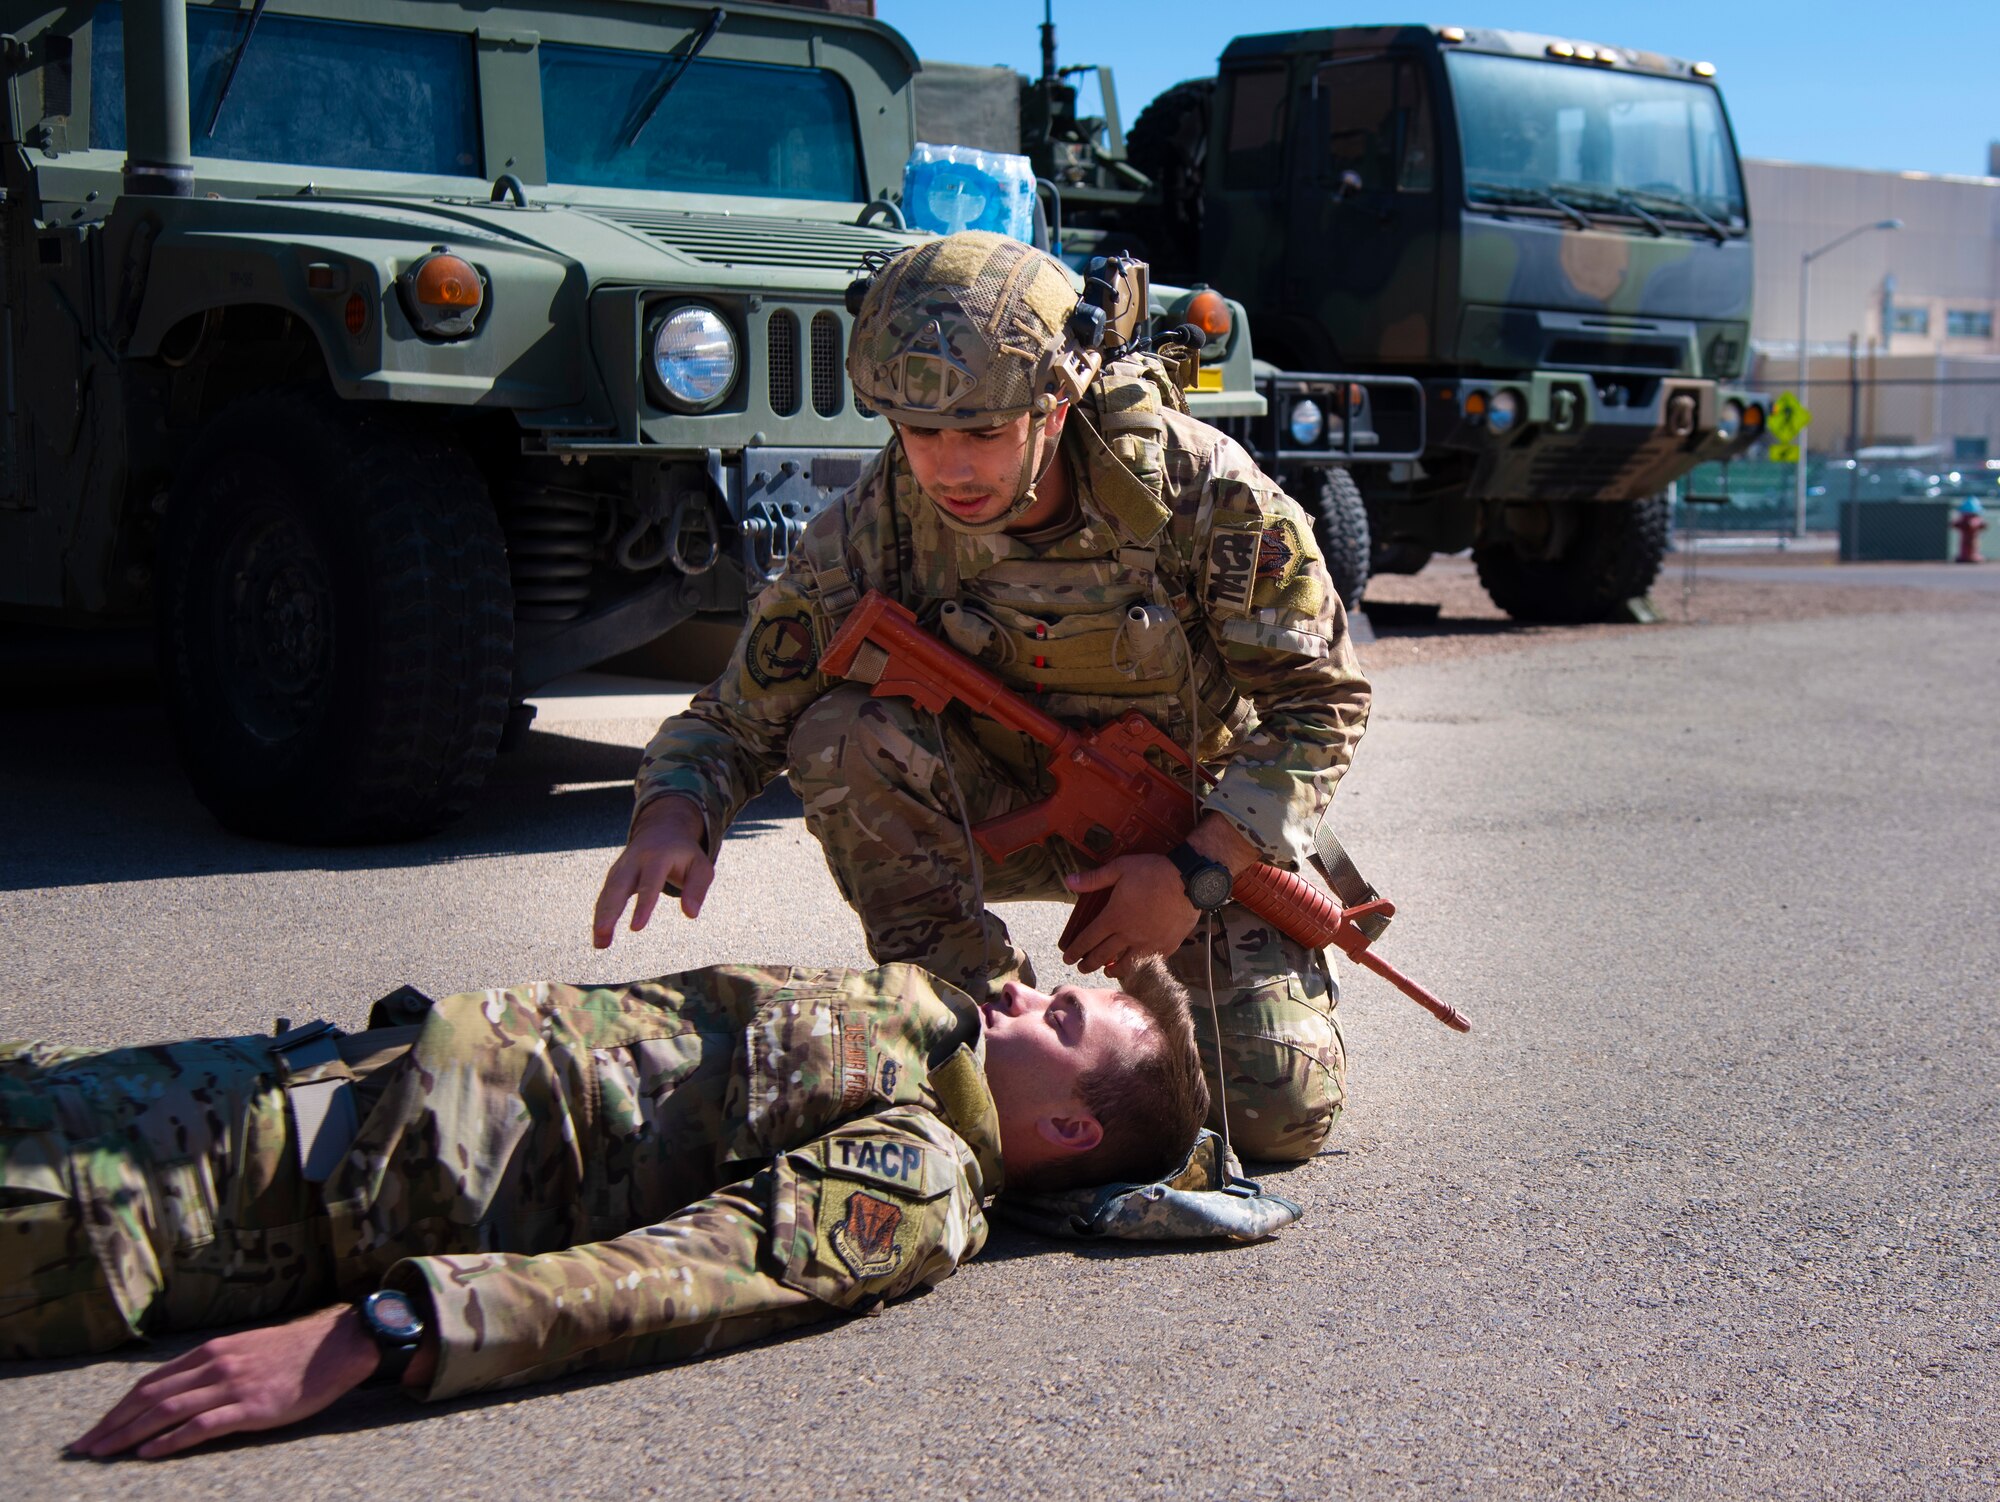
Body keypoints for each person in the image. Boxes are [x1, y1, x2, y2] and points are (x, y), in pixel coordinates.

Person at [595, 231, 1371, 1160]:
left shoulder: (1199, 494)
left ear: (1056, 405)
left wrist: (1196, 874)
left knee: (1271, 1116)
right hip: (1001, 805)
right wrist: (677, 808)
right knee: (842, 732)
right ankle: (966, 1013)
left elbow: (1322, 703)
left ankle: (1143, 1007)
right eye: (920, 433)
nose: (948, 468)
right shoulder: (879, 522)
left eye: (981, 433)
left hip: (1189, 828)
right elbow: (740, 711)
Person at [1, 959, 1208, 1458]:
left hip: (213, 1196)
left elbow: (687, 1273)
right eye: (1053, 983)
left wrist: (386, 1329)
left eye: (1060, 1018)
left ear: (1071, 1130)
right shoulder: (923, 1029)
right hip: (261, 1082)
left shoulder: (920, 1172)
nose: (1018, 986)